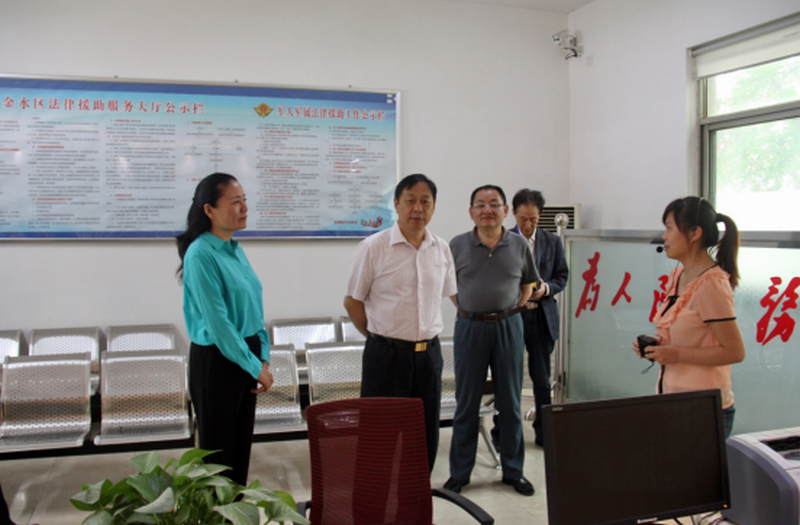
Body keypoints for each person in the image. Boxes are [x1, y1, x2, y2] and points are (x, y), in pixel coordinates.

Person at [344, 173, 457, 472]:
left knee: (424, 439)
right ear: (396, 204)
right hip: (386, 357)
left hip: (429, 357)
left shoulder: (441, 249)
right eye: (410, 201)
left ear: (434, 206)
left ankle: (416, 497)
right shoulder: (373, 247)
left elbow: (451, 294)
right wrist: (378, 337)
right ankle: (375, 499)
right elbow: (352, 302)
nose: (417, 208)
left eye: (425, 202)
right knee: (378, 440)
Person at [176, 172, 274, 485]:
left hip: (245, 355)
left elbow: (254, 310)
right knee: (218, 461)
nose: (244, 208)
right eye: (235, 202)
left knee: (240, 454)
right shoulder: (200, 254)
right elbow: (219, 325)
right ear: (209, 210)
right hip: (218, 362)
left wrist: (263, 357)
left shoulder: (234, 249)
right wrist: (254, 366)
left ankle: (238, 509)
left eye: (244, 200)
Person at [445, 185, 540, 496]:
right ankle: (460, 474)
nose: (487, 209)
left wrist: (508, 310)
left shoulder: (519, 245)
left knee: (510, 402)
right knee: (466, 404)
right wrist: (471, 309)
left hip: (508, 327)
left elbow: (527, 285)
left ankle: (514, 472)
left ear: (505, 211)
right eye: (480, 204)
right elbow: (451, 288)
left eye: (494, 204)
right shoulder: (457, 245)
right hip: (469, 328)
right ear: (471, 211)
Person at [634, 196, 745, 437]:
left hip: (703, 409)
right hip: (673, 400)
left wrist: (677, 354)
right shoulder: (679, 275)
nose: (664, 236)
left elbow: (735, 352)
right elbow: (689, 333)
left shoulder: (711, 284)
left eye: (669, 228)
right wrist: (658, 347)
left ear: (694, 233)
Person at [510, 189, 569, 447]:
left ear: (540, 216)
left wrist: (545, 289)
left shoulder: (552, 241)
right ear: (513, 213)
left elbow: (562, 277)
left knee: (542, 378)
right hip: (514, 316)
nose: (528, 225)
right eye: (523, 218)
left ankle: (544, 432)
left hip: (542, 315)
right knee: (509, 377)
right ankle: (505, 434)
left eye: (533, 219)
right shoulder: (503, 240)